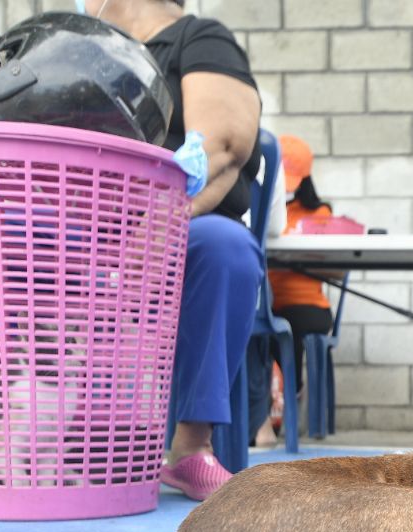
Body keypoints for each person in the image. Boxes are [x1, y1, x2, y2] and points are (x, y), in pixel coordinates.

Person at [80, 0, 263, 501]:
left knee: (225, 247)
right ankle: (1, 443)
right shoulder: (76, 46)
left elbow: (224, 145)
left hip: (184, 221)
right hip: (82, 223)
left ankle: (188, 449)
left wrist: (159, 226)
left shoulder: (195, 39)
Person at [248, 134, 336, 447]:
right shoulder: (257, 203)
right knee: (255, 334)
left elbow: (335, 268)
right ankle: (263, 416)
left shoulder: (320, 213)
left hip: (306, 303)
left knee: (296, 327)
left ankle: (291, 407)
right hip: (270, 302)